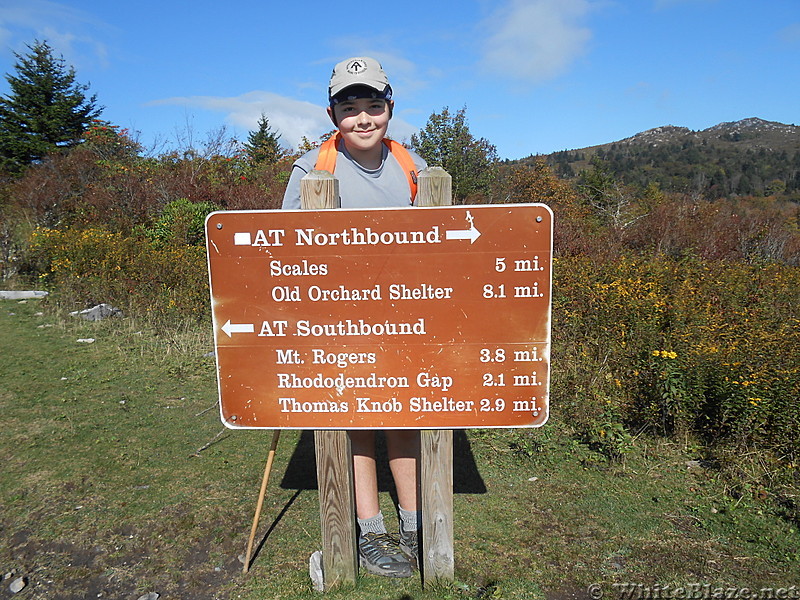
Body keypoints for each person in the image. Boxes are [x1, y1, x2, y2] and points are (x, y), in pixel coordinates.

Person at [281, 56, 426, 578]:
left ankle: (416, 526)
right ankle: (371, 531)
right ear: (332, 112)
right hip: (340, 319)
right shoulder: (312, 168)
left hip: (404, 316)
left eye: (373, 106)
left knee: (406, 418)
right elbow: (287, 250)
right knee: (359, 424)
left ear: (390, 108)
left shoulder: (412, 165)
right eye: (350, 108)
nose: (363, 118)